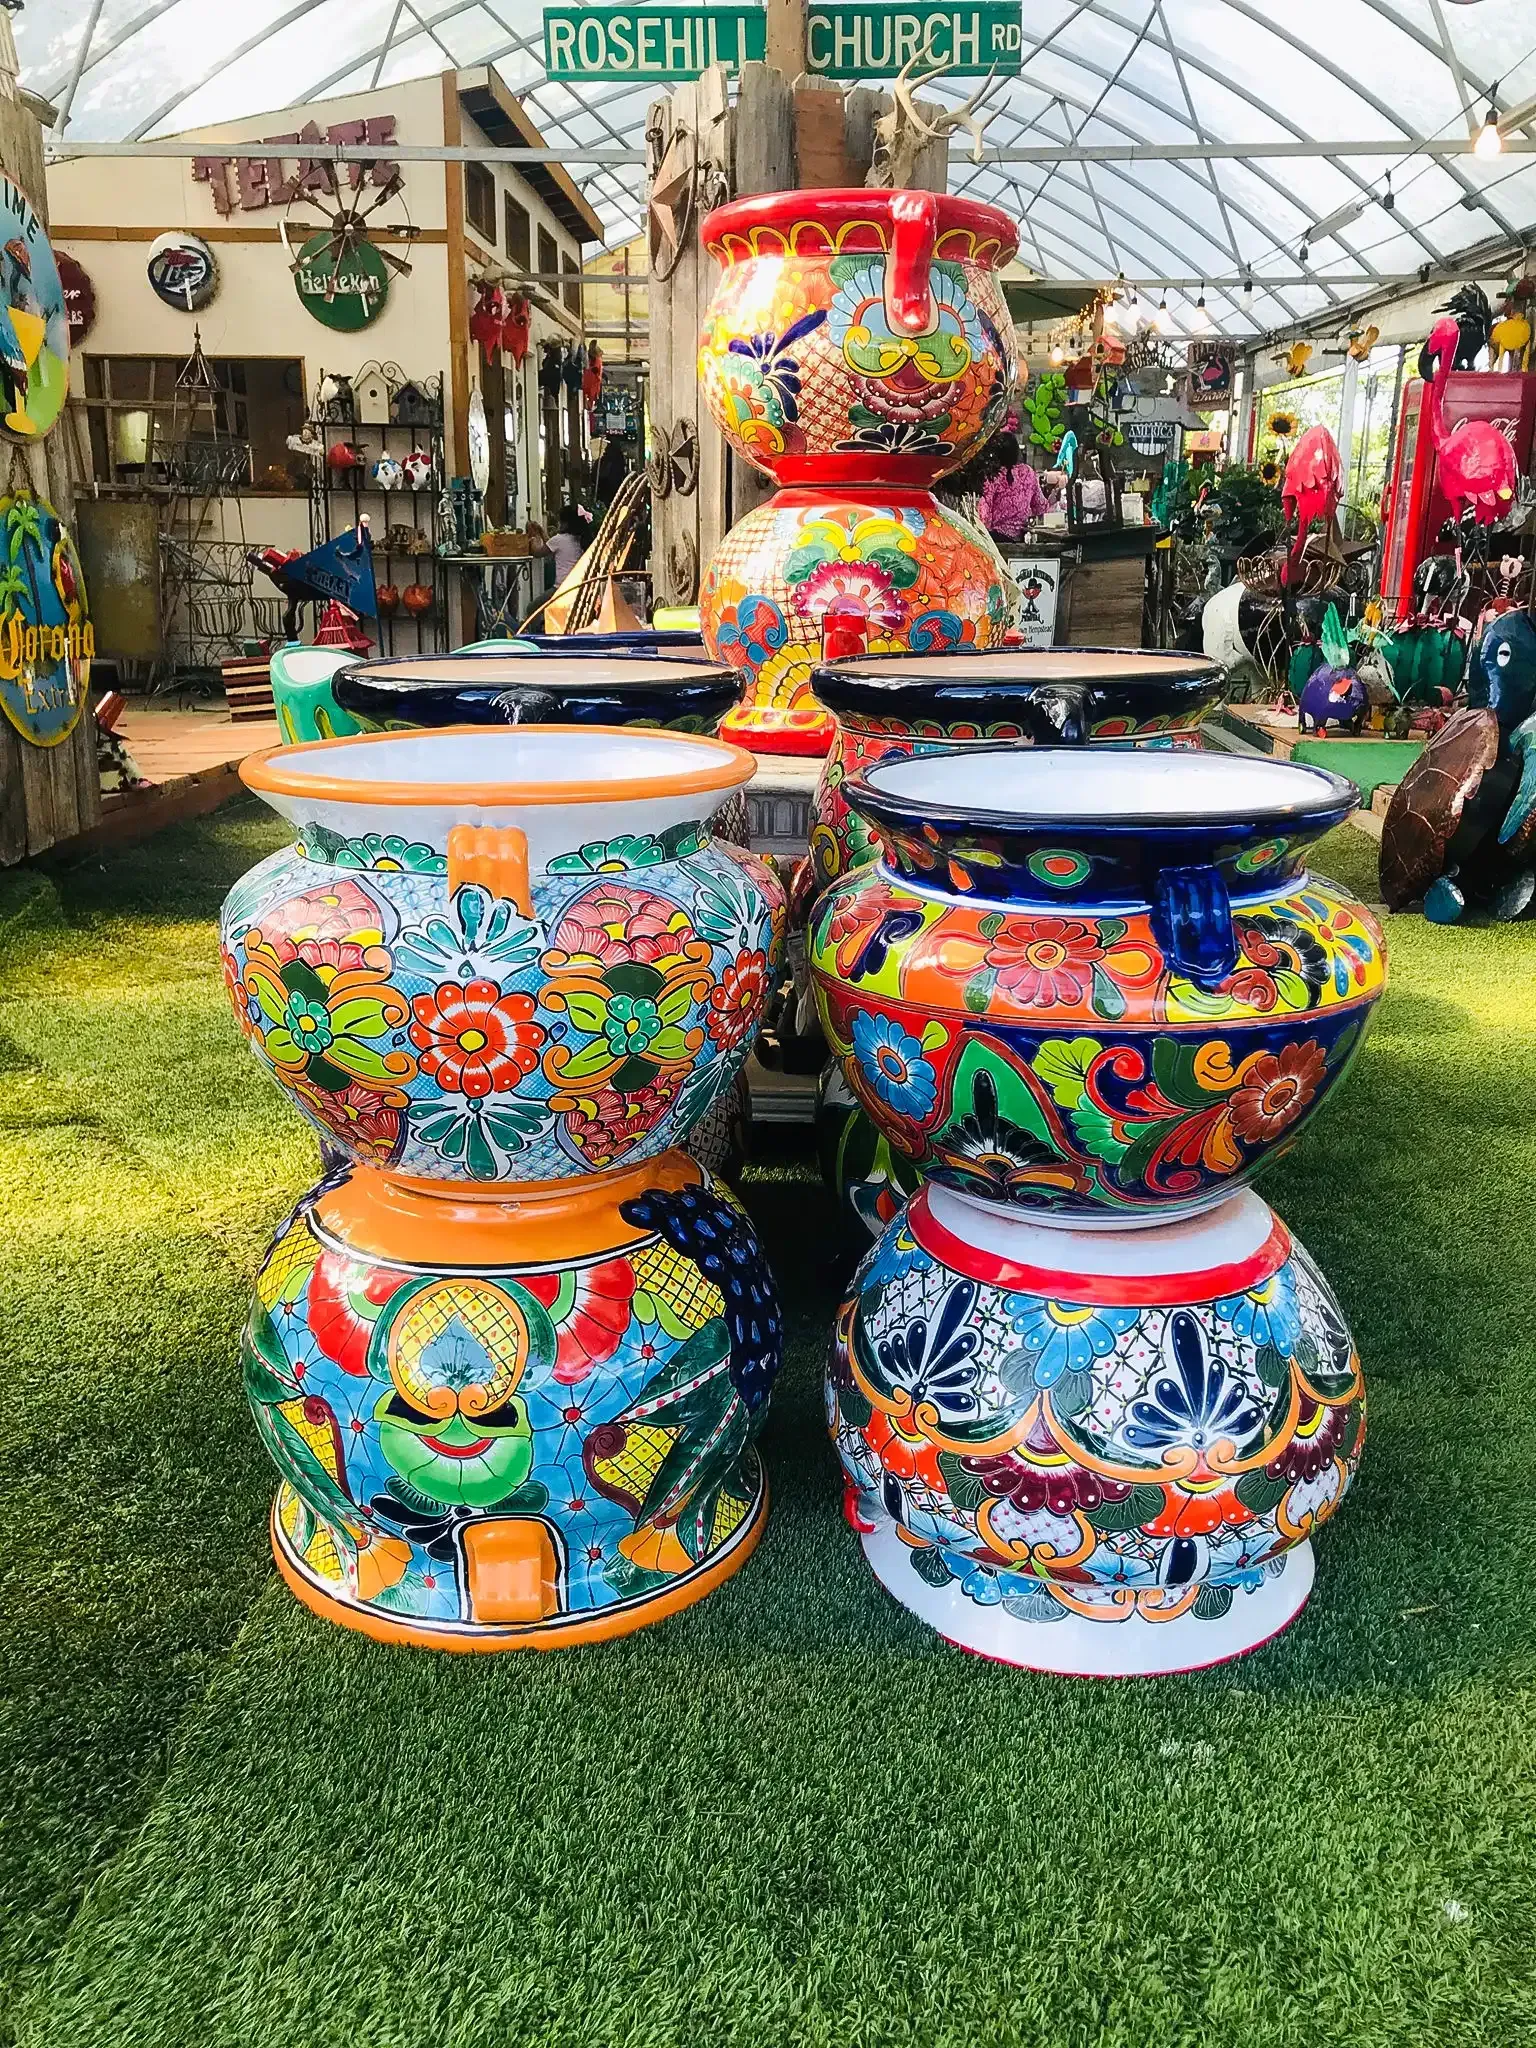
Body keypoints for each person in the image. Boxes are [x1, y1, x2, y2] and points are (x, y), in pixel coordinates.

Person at [547, 505, 588, 586]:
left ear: (565, 524)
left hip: (562, 588)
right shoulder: (584, 539)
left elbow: (538, 551)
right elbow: (549, 544)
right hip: (580, 585)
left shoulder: (559, 539)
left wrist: (534, 537)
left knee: (538, 599)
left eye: (559, 521)